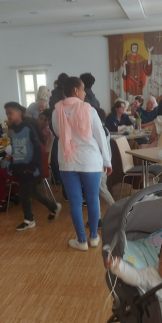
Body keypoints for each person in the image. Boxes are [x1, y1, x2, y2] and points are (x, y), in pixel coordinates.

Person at [52, 76, 112, 251]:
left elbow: (59, 134)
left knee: (75, 203)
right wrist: (107, 160)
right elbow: (100, 136)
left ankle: (82, 241)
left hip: (68, 161)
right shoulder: (89, 110)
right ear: (76, 90)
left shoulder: (57, 111)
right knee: (93, 199)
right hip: (90, 161)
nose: (85, 93)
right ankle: (93, 237)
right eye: (83, 89)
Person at [5, 102, 61, 229]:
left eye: (10, 113)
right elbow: (17, 148)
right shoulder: (15, 129)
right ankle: (53, 207)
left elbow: (37, 148)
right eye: (7, 113)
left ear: (18, 112)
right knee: (33, 193)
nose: (8, 116)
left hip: (30, 167)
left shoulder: (27, 127)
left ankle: (29, 219)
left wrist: (32, 166)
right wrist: (13, 163)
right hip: (21, 167)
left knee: (24, 193)